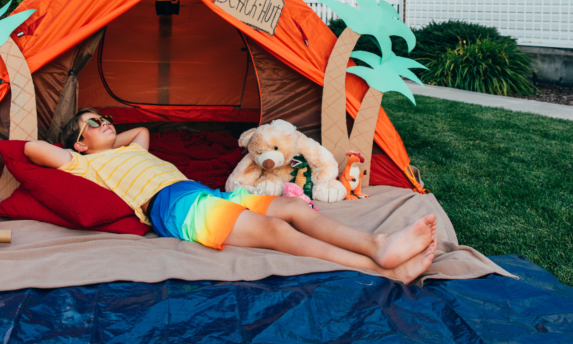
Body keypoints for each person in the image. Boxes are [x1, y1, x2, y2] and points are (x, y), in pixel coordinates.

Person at [25, 107, 438, 283]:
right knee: (274, 230)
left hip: (197, 192)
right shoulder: (83, 164)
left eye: (107, 118)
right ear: (78, 144)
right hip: (172, 208)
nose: (107, 123)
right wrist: (81, 148)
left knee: (292, 207)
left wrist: (105, 135)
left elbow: (142, 133)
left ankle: (377, 244)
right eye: (95, 122)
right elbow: (31, 149)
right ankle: (380, 271)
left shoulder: (128, 150)